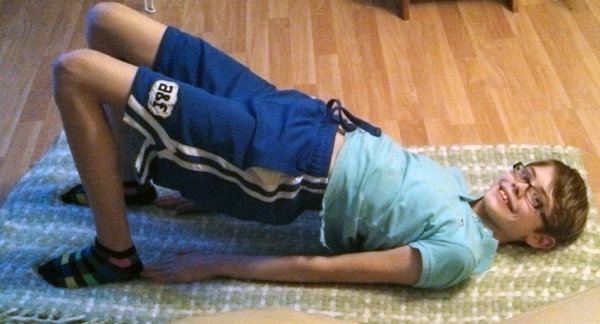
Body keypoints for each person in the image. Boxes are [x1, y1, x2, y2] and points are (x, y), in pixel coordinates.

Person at [39, 2, 590, 290]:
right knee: (106, 21)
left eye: (534, 199)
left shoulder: (460, 254)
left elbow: (329, 269)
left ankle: (114, 253)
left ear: (538, 240)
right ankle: (128, 183)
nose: (518, 187)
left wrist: (218, 263)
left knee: (77, 72)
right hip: (293, 112)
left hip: (276, 160)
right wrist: (206, 197)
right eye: (525, 175)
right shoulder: (456, 189)